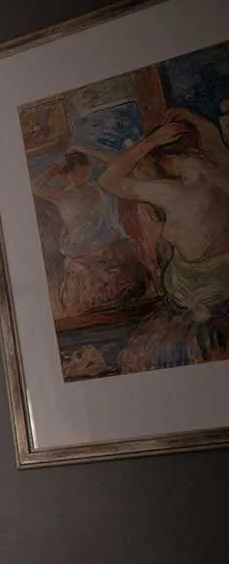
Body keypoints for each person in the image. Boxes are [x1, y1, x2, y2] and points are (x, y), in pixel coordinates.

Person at [97, 106, 229, 369]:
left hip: (204, 282)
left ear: (169, 158)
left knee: (166, 240)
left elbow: (108, 181)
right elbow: (211, 131)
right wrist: (185, 114)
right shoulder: (221, 161)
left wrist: (151, 142)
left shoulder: (174, 191)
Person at [31, 148, 149, 318]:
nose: (83, 178)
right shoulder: (63, 196)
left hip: (107, 245)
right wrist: (56, 168)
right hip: (82, 250)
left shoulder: (98, 187)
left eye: (86, 173)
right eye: (77, 174)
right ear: (67, 176)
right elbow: (34, 186)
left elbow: (116, 162)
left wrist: (85, 150)